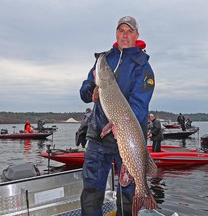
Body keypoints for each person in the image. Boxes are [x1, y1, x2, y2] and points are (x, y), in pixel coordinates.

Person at [79, 16, 155, 216]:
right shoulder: (104, 60)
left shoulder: (143, 68)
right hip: (98, 136)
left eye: (129, 31)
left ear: (137, 36)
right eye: (121, 31)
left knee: (128, 195)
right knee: (91, 192)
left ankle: (141, 195)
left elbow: (140, 105)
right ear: (116, 33)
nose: (125, 35)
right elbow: (84, 91)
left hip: (127, 138)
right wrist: (91, 89)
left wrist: (119, 122)